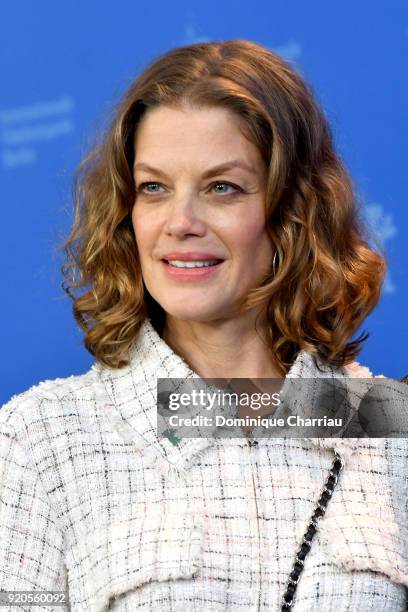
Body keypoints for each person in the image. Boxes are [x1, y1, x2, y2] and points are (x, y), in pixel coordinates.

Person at [0, 39, 406, 611]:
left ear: (293, 213)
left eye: (222, 187)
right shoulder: (42, 440)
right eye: (154, 188)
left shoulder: (388, 427)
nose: (181, 222)